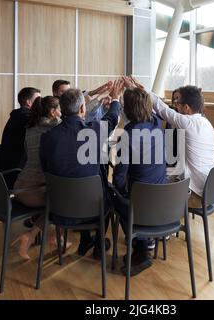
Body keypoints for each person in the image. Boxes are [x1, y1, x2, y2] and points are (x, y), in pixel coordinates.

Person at [39, 81, 123, 259]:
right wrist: (115, 99)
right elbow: (112, 118)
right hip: (91, 208)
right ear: (83, 109)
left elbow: (45, 168)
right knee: (106, 191)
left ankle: (86, 240)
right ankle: (100, 244)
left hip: (58, 208)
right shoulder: (93, 132)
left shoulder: (47, 137)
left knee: (81, 182)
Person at [112, 86, 167, 276]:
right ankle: (142, 240)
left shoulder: (128, 134)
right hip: (165, 201)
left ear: (127, 109)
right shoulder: (157, 123)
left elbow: (119, 176)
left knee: (113, 195)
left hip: (141, 202)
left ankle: (140, 247)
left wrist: (119, 190)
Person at [11, 96, 69, 260]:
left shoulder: (30, 127)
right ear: (52, 112)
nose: (61, 112)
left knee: (55, 196)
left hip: (19, 186)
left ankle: (51, 235)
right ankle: (36, 235)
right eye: (59, 109)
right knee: (62, 201)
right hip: (34, 192)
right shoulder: (55, 126)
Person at [150, 84, 214, 208]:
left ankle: (162, 221)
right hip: (210, 190)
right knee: (165, 177)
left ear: (186, 107)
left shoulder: (188, 123)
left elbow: (163, 110)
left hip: (196, 195)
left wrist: (142, 90)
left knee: (153, 190)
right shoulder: (206, 123)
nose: (176, 106)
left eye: (178, 103)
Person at [0, 87, 41, 187]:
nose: (41, 103)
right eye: (38, 99)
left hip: (9, 166)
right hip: (16, 173)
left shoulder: (19, 115)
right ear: (29, 102)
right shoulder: (25, 118)